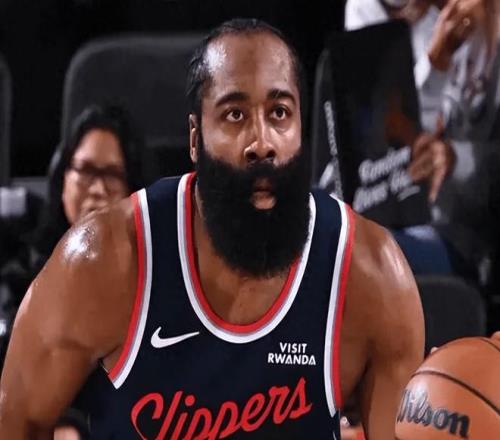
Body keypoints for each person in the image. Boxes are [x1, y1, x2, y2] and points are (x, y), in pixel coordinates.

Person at [0, 19, 424, 438]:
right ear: (195, 137)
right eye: (234, 115)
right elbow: (16, 419)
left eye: (279, 113)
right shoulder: (104, 261)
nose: (262, 142)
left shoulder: (369, 276)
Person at [0, 103, 143, 439]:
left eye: (112, 175)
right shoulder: (21, 276)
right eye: (86, 170)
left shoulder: (150, 286)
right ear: (62, 177)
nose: (97, 189)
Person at [345, 0, 500, 281]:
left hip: (467, 241)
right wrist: (435, 65)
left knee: (352, 253)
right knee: (324, 233)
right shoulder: (418, 20)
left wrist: (456, 159)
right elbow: (394, 140)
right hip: (410, 217)